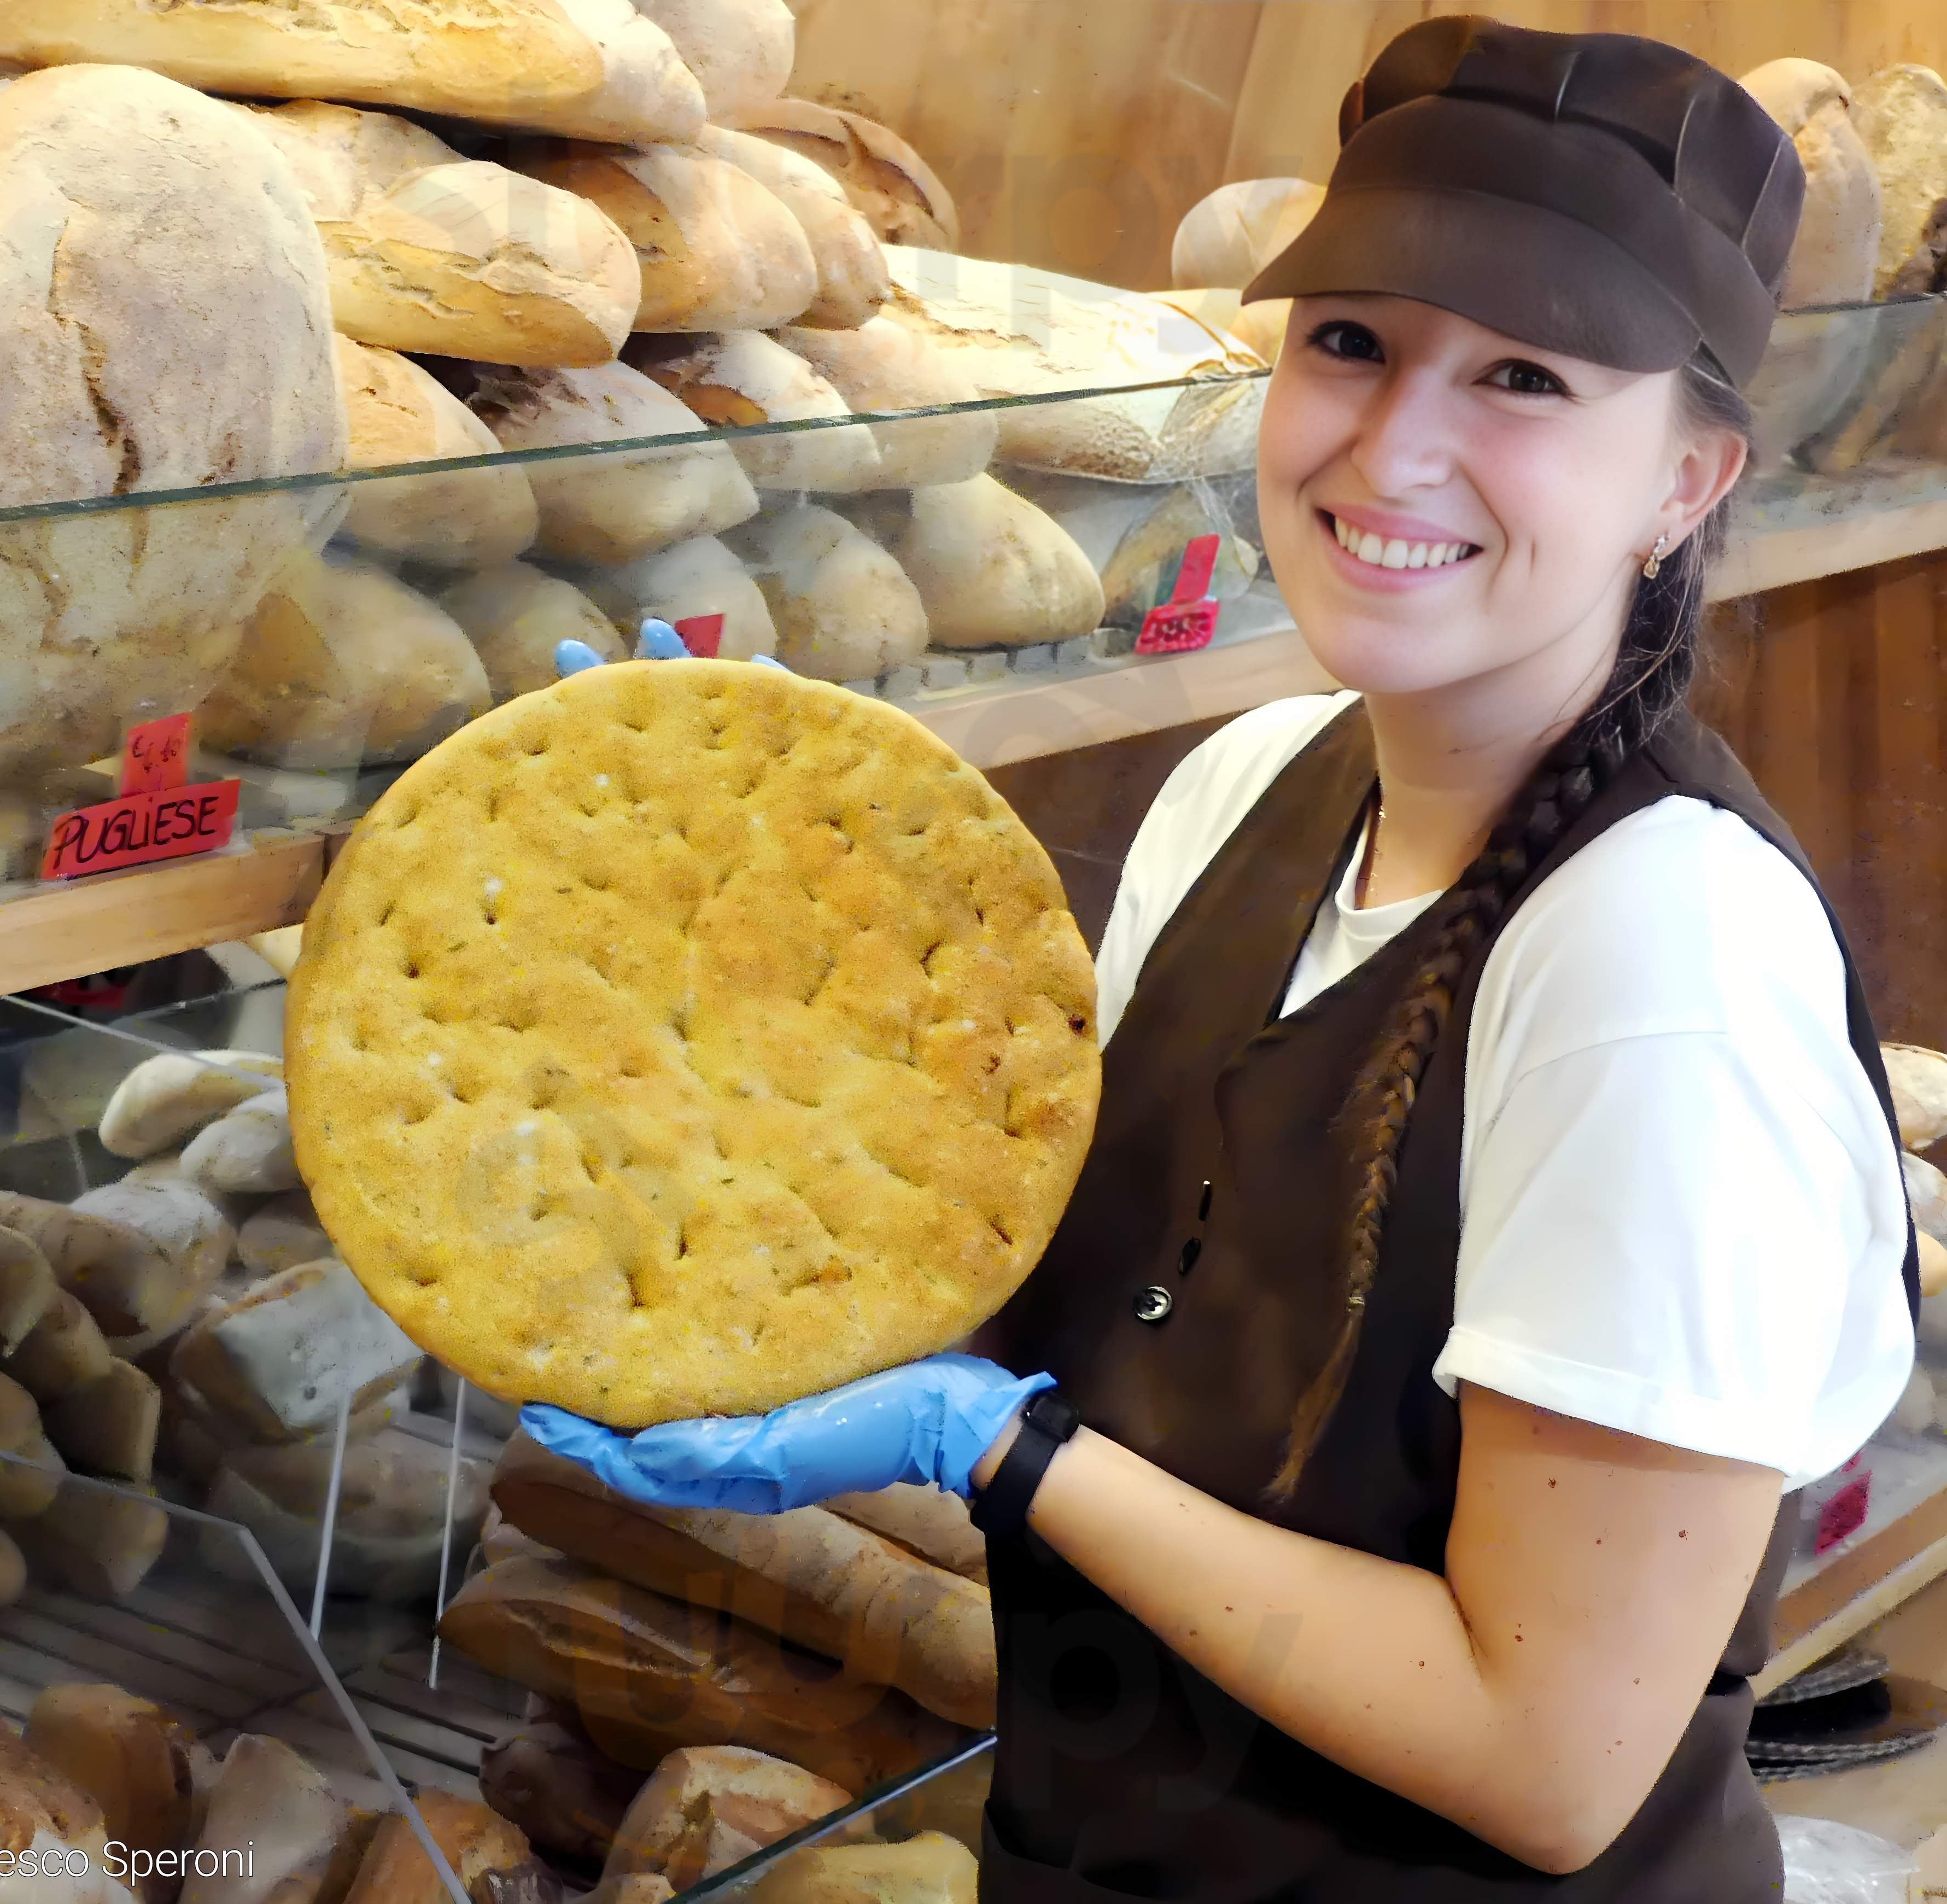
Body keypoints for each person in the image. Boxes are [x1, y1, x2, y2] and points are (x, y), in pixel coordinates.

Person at [528, 16, 1920, 1897]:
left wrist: (998, 1454)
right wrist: (698, 925)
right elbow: (1042, 1276)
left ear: (1688, 480)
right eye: (1350, 339)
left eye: (1522, 375)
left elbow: (1549, 1756)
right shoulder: (1247, 786)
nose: (1396, 446)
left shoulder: (1659, 963)